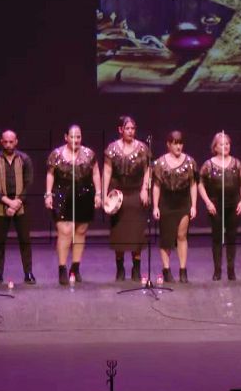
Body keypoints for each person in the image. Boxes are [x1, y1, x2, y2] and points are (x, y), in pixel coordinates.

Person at [45, 125, 102, 285]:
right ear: (66, 137)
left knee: (80, 231)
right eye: (72, 137)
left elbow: (96, 172)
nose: (75, 140)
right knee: (65, 231)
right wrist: (48, 194)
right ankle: (62, 268)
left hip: (84, 194)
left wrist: (98, 193)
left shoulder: (89, 154)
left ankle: (75, 268)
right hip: (62, 194)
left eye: (78, 137)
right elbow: (50, 174)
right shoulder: (56, 154)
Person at [102, 115, 151, 281]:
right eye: (127, 128)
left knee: (137, 231)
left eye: (133, 128)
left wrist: (145, 189)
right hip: (118, 194)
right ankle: (120, 268)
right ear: (120, 130)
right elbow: (107, 171)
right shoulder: (112, 149)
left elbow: (148, 170)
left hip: (136, 192)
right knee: (119, 232)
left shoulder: (143, 148)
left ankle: (136, 268)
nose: (130, 131)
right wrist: (104, 194)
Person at [0, 130, 35, 284]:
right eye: (6, 142)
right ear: (1, 142)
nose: (8, 144)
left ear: (16, 142)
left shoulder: (24, 159)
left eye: (11, 142)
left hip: (21, 204)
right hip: (2, 204)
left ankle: (28, 273)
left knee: (25, 240)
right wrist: (8, 202)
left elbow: (28, 183)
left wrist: (17, 203)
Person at [198, 132, 241, 281]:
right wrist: (208, 202)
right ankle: (217, 270)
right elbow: (200, 184)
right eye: (221, 144)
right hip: (216, 204)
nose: (225, 146)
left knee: (232, 237)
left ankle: (231, 270)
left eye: (227, 144)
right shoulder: (208, 165)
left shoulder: (237, 164)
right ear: (215, 147)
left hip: (234, 204)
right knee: (217, 237)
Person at [152, 130, 198, 283]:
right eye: (175, 143)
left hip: (183, 202)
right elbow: (156, 186)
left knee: (181, 236)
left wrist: (194, 205)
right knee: (166, 238)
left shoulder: (190, 162)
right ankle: (166, 270)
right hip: (166, 202)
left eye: (180, 143)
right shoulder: (160, 163)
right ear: (168, 145)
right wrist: (155, 206)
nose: (178, 146)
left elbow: (193, 185)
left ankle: (183, 270)